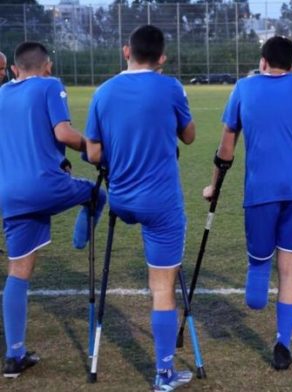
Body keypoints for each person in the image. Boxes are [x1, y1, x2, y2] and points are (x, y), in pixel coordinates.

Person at [206, 35, 292, 370]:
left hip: (260, 191)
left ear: (262, 61)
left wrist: (213, 186)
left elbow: (226, 148)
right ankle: (283, 343)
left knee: (260, 264)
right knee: (290, 270)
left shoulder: (244, 89)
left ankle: (257, 292)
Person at [84, 25, 196, 391]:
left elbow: (94, 153)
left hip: (121, 200)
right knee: (162, 287)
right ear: (162, 58)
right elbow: (189, 135)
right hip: (160, 203)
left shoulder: (103, 92)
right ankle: (163, 373)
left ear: (125, 51)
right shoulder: (170, 87)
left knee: (160, 280)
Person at [0, 41, 106, 378]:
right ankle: (80, 237)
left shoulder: (2, 93)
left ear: (15, 69)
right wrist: (94, 148)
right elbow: (63, 132)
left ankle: (14, 355)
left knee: (18, 270)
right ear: (48, 65)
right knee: (97, 194)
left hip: (10, 194)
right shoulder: (50, 85)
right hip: (45, 185)